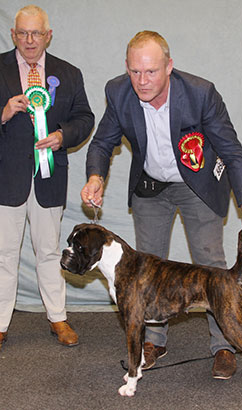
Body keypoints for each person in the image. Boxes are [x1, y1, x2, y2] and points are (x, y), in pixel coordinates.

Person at [81, 31, 242, 379]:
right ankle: (154, 341)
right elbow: (102, 143)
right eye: (135, 72)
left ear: (169, 67)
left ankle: (223, 345)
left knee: (211, 265)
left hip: (197, 185)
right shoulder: (118, 92)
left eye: (150, 72)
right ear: (127, 69)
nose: (142, 81)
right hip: (151, 186)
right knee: (144, 271)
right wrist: (95, 178)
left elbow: (232, 152)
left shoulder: (200, 93)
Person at [0, 5, 94, 349]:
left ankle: (58, 318)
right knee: (3, 254)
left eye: (36, 33)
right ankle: (0, 323)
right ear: (13, 35)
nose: (29, 40)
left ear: (48, 35)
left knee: (50, 253)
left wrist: (62, 136)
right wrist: (4, 113)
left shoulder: (69, 74)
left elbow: (85, 117)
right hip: (6, 178)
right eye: (22, 33)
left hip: (48, 176)